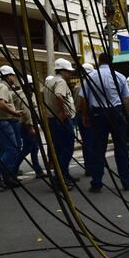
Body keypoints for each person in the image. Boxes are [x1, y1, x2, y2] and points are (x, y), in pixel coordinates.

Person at [78, 52, 129, 193]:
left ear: (98, 61)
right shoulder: (120, 76)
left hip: (98, 115)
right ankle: (127, 182)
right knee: (121, 149)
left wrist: (85, 115)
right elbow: (127, 100)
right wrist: (127, 116)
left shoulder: (90, 77)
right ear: (112, 61)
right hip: (116, 113)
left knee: (98, 150)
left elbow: (83, 99)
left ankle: (96, 183)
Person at [0, 65, 24, 188]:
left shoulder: (2, 87)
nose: (14, 78)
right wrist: (15, 113)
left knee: (5, 151)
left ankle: (7, 178)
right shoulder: (3, 87)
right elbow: (1, 104)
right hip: (3, 122)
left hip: (1, 123)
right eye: (13, 75)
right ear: (8, 76)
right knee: (12, 149)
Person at [44, 59, 77, 189]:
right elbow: (59, 96)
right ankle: (60, 180)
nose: (69, 74)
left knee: (58, 151)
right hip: (61, 120)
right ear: (63, 71)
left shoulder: (49, 81)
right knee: (66, 150)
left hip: (52, 119)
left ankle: (63, 175)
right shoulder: (61, 81)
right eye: (68, 72)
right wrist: (62, 113)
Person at [13, 75, 46, 179]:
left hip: (30, 124)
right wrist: (30, 127)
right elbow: (27, 112)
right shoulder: (24, 95)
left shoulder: (30, 95)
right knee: (27, 148)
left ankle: (38, 171)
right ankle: (13, 169)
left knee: (35, 149)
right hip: (26, 125)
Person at [73, 63, 94, 177]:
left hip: (79, 115)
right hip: (87, 115)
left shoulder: (77, 85)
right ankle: (91, 167)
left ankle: (89, 166)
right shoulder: (88, 85)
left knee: (87, 142)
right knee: (92, 142)